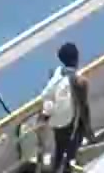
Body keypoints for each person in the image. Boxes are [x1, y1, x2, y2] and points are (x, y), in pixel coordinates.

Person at [39, 41, 91, 173]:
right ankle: (68, 163)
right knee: (78, 133)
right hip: (66, 120)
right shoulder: (80, 81)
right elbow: (83, 107)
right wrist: (89, 130)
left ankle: (57, 167)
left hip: (53, 118)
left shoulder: (55, 73)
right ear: (77, 58)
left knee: (60, 147)